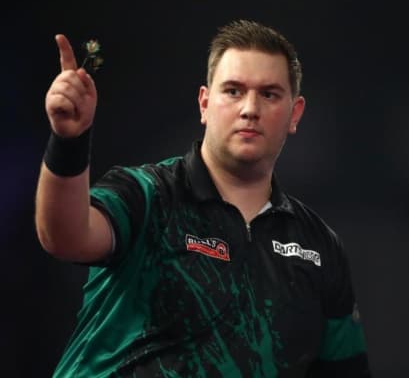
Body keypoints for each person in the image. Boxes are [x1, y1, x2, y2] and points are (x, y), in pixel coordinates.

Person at [35, 20, 371, 377]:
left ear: (295, 113)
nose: (250, 109)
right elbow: (64, 236)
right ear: (205, 104)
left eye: (269, 94)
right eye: (233, 91)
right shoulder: (148, 194)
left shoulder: (319, 246)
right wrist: (68, 142)